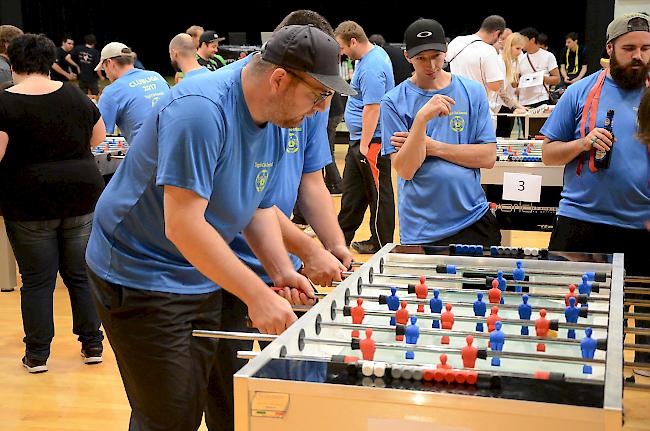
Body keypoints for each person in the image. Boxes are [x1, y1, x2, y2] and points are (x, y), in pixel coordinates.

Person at [85, 24, 352, 430]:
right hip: (138, 273)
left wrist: (284, 269)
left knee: (214, 397)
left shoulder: (278, 117)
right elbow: (183, 225)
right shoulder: (201, 109)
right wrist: (257, 294)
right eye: (318, 96)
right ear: (280, 78)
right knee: (170, 415)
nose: (319, 109)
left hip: (198, 270)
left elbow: (254, 205)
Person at [216, 12, 354, 430]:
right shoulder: (237, 99)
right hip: (223, 265)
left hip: (278, 257)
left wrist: (335, 246)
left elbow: (310, 183)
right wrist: (307, 248)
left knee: (291, 398)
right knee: (227, 402)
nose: (318, 107)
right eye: (315, 93)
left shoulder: (306, 107)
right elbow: (243, 200)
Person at [540, 12, 650, 376]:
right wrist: (582, 143)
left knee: (642, 337)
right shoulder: (581, 91)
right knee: (575, 325)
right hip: (581, 224)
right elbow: (548, 152)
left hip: (641, 227)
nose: (639, 56)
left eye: (646, 48)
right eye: (630, 48)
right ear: (610, 49)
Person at [0, 34, 106, 373]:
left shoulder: (4, 102)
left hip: (29, 200)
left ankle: (37, 355)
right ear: (49, 63)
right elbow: (98, 138)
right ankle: (92, 344)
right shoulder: (75, 95)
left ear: (13, 64)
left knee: (36, 279)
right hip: (81, 195)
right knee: (79, 274)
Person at [381, 18, 500, 247]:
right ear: (407, 56)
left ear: (446, 50)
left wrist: (431, 146)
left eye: (436, 56)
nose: (431, 66)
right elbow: (405, 170)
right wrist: (420, 120)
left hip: (473, 218)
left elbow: (487, 157)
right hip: (421, 228)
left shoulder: (472, 91)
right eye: (421, 59)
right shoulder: (393, 101)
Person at [335, 20, 395, 254]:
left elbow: (373, 107)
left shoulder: (372, 66)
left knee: (378, 195)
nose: (341, 52)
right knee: (352, 193)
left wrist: (365, 144)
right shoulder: (367, 58)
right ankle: (339, 241)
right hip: (360, 140)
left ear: (353, 41)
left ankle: (381, 244)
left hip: (372, 142)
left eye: (342, 47)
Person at [96, 42, 169, 141]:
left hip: (148, 151)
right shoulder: (156, 76)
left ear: (109, 63)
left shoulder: (111, 91)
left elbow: (97, 135)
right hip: (177, 144)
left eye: (104, 69)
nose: (107, 76)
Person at [445, 15, 505, 96]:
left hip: (455, 98)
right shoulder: (488, 50)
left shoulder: (457, 41)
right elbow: (495, 86)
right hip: (476, 102)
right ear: (497, 33)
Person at [495, 32, 529, 137]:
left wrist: (517, 105)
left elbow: (510, 89)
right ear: (509, 46)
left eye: (521, 49)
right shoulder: (500, 61)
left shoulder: (512, 62)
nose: (520, 52)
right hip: (497, 106)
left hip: (506, 104)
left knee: (505, 136)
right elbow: (500, 90)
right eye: (517, 48)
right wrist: (515, 107)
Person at [517, 27, 560, 107]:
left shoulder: (548, 56)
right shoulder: (520, 58)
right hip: (523, 102)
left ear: (532, 40)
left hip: (541, 99)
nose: (521, 43)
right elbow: (516, 81)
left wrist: (539, 78)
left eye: (523, 40)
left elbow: (557, 79)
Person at [70, 34, 101, 100]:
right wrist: (101, 76)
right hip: (92, 79)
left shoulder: (79, 48)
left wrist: (76, 66)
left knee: (83, 97)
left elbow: (67, 58)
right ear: (94, 43)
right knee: (95, 97)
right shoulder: (95, 52)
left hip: (82, 78)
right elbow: (97, 67)